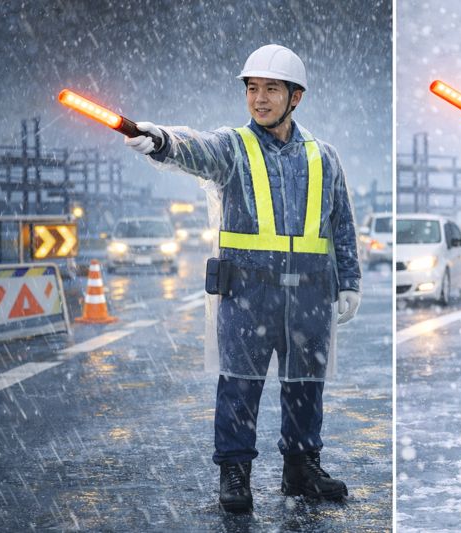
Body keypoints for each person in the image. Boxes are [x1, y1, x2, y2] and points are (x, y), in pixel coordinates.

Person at [125, 44, 361, 513]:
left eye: (271, 89)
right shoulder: (233, 147)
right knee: (239, 384)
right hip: (247, 293)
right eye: (252, 88)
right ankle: (235, 471)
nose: (259, 99)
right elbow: (197, 149)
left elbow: (341, 224)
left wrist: (349, 280)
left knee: (305, 384)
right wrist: (163, 142)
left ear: (296, 97)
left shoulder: (324, 157)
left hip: (310, 294)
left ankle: (302, 467)